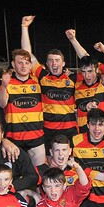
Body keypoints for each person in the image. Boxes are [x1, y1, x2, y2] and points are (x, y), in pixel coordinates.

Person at [21, 17, 78, 148]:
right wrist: (24, 27)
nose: (54, 63)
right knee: (50, 162)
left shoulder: (73, 78)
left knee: (70, 162)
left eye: (57, 60)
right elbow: (27, 54)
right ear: (46, 64)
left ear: (63, 63)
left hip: (69, 130)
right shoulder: (42, 76)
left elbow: (89, 64)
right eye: (50, 60)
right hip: (48, 130)